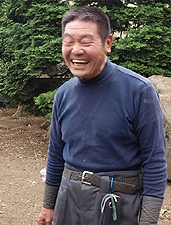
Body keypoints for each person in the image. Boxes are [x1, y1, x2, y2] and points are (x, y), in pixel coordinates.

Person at [37, 6, 167, 225]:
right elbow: (56, 154)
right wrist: (48, 205)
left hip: (117, 207)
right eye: (68, 42)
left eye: (86, 42)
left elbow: (154, 161)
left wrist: (148, 221)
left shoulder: (138, 90)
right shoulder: (63, 94)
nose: (76, 50)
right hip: (68, 203)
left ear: (108, 43)